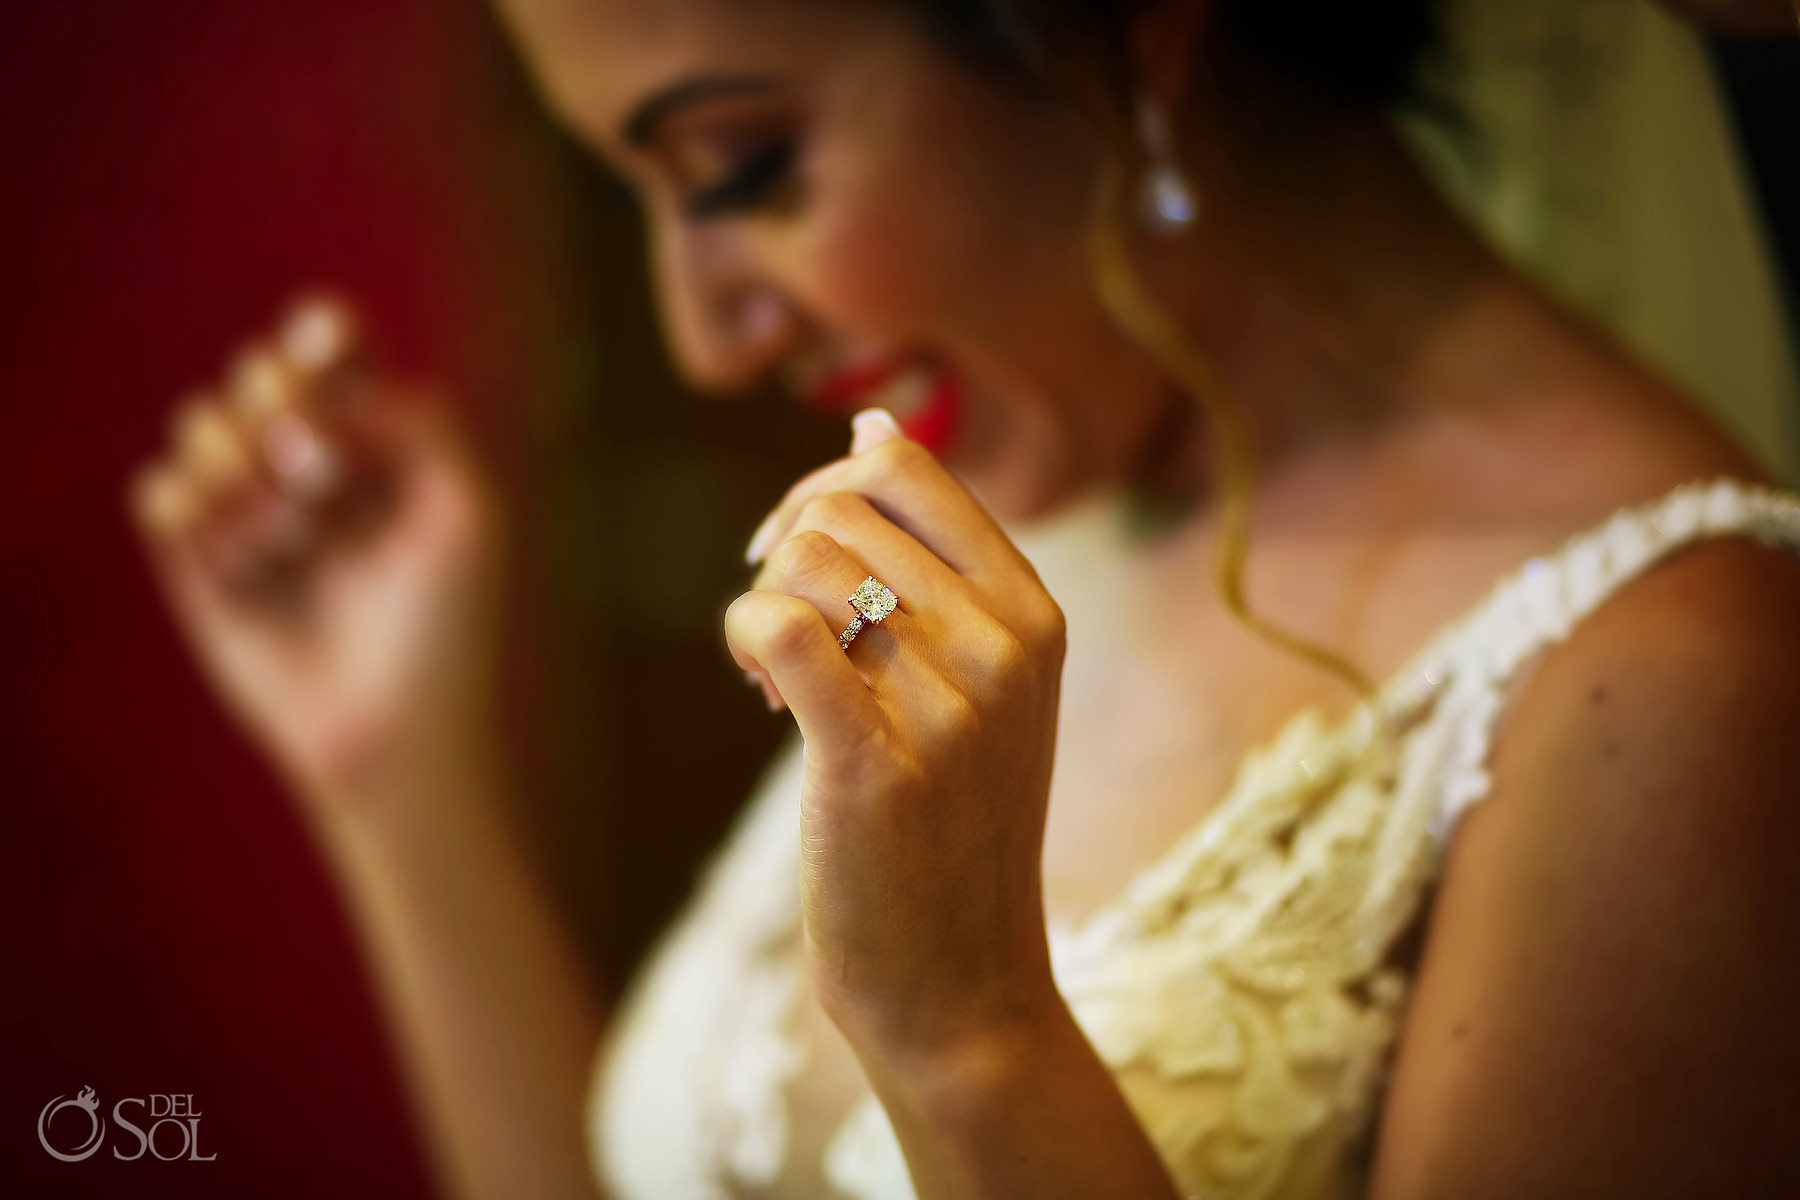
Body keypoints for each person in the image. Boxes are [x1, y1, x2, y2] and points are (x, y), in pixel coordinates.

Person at [127, 0, 1800, 1197]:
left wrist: (973, 1042)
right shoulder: (1042, 483)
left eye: (739, 168)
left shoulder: (1674, 675)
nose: (706, 338)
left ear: (1119, 33)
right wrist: (396, 783)